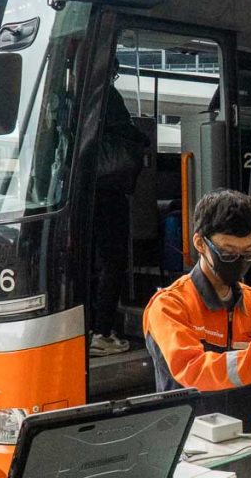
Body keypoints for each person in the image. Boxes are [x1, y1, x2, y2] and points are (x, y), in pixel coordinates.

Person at [142, 189, 251, 431]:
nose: (239, 261)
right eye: (227, 253)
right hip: (187, 449)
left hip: (242, 443)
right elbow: (192, 371)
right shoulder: (169, 306)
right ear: (200, 244)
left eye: (247, 252)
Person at [90, 61, 150, 356]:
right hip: (108, 189)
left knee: (94, 261)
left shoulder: (74, 93)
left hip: (88, 191)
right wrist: (143, 138)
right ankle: (102, 332)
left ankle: (93, 328)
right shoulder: (107, 95)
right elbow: (123, 130)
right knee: (113, 261)